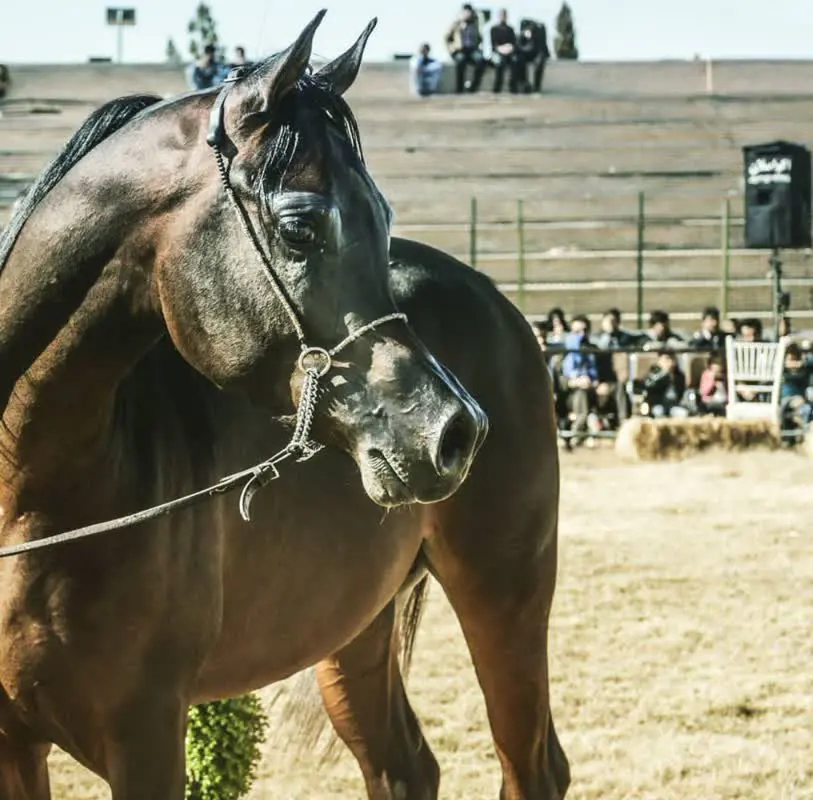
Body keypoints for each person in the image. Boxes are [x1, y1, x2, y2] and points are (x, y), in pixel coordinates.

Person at [445, 4, 486, 93]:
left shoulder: (475, 24)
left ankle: (473, 87)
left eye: (469, 12)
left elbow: (480, 37)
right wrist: (451, 49)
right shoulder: (456, 24)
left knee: (481, 61)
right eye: (465, 12)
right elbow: (447, 38)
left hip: (472, 50)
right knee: (461, 61)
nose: (467, 14)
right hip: (459, 50)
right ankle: (459, 89)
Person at [489, 9, 519, 93]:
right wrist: (501, 49)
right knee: (500, 62)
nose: (503, 17)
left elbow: (514, 43)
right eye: (502, 15)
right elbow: (494, 44)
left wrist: (510, 48)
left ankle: (513, 87)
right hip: (497, 52)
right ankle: (497, 87)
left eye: (505, 15)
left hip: (509, 52)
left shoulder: (510, 29)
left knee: (515, 61)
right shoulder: (494, 29)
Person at [517, 18, 550, 93]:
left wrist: (541, 56)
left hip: (537, 52)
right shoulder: (523, 33)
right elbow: (519, 45)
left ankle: (536, 86)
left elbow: (542, 48)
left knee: (539, 62)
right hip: (525, 52)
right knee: (519, 59)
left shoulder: (540, 31)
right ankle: (524, 83)